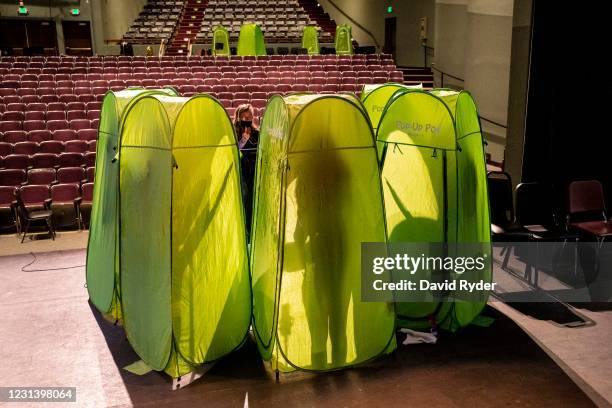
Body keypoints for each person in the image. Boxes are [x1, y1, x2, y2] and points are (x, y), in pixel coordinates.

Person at [234, 104, 259, 237]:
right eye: (243, 117)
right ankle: (245, 233)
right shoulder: (234, 132)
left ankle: (253, 230)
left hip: (255, 171)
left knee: (253, 202)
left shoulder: (257, 133)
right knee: (244, 201)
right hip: (241, 173)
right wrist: (244, 139)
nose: (246, 119)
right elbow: (233, 152)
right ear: (238, 117)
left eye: (249, 117)